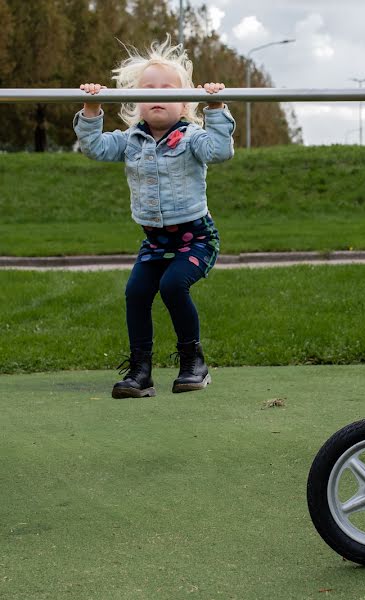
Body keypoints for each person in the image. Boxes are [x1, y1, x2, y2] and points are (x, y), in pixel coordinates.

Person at [73, 37, 235, 398]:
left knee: (173, 285)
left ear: (184, 103)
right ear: (136, 103)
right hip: (155, 241)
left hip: (196, 237)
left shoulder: (192, 137)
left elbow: (221, 151)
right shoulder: (130, 140)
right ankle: (140, 370)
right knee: (136, 293)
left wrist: (217, 106)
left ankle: (194, 361)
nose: (156, 95)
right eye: (148, 90)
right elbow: (94, 148)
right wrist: (90, 108)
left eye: (167, 89)